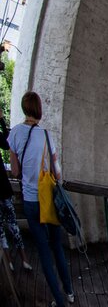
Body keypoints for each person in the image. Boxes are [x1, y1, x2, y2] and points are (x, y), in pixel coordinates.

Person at [8, 91, 75, 307]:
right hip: (49, 200)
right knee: (56, 245)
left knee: (43, 251)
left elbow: (16, 171)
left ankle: (58, 300)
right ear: (38, 109)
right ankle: (70, 292)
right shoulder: (46, 135)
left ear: (24, 107)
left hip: (30, 200)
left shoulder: (15, 134)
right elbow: (56, 171)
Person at [0, 111, 32, 272]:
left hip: (3, 188)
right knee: (12, 224)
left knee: (2, 230)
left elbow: (7, 144)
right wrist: (2, 122)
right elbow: (7, 143)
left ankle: (9, 262)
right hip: (3, 188)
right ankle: (23, 259)